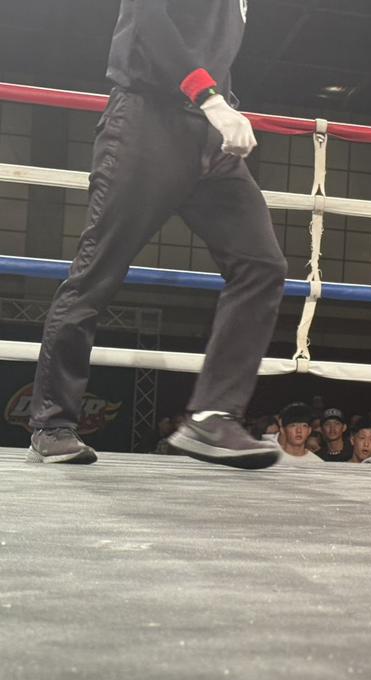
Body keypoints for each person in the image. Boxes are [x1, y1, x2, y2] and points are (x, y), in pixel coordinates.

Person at [26, 1, 286, 469]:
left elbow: (205, 44)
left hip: (209, 137)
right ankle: (51, 423)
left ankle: (212, 415)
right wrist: (211, 99)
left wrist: (219, 103)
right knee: (97, 272)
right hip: (147, 122)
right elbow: (148, 18)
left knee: (261, 264)